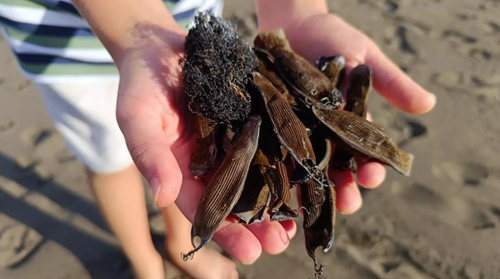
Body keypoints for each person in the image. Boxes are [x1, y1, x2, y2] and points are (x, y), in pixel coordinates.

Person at [0, 0, 436, 278]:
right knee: (109, 161)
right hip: (65, 50)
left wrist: (297, 9)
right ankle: (145, 263)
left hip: (193, 29)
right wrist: (134, 25)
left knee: (181, 173)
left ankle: (178, 243)